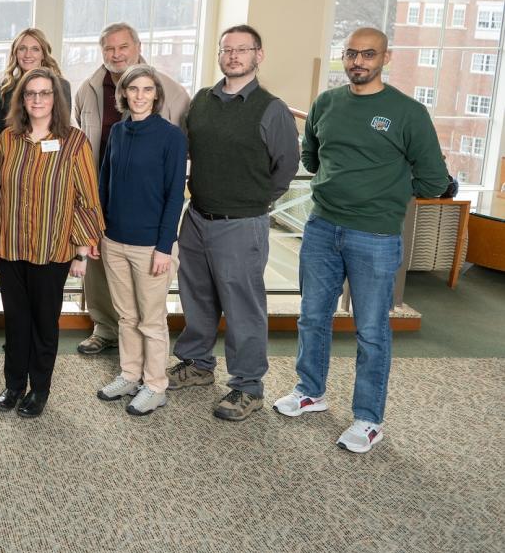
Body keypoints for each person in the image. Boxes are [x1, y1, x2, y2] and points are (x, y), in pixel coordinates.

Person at [274, 27, 453, 453]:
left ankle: (369, 419)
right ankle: (310, 392)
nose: (358, 62)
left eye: (368, 54)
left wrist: (383, 191)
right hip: (321, 227)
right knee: (312, 317)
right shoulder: (327, 103)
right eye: (352, 54)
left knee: (371, 330)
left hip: (375, 235)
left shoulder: (408, 112)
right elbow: (311, 155)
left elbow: (432, 179)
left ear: (385, 58)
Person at [166, 25, 299, 421]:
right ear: (219, 55)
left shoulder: (271, 108)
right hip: (197, 217)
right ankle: (197, 365)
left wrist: (253, 200)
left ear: (259, 55)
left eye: (243, 49)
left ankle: (247, 386)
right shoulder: (202, 101)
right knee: (196, 297)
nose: (234, 56)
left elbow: (286, 167)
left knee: (243, 308)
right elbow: (188, 149)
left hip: (242, 224)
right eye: (227, 49)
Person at [0, 68, 103, 418]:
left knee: (44, 323)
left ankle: (40, 389)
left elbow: (86, 198)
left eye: (44, 93)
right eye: (30, 93)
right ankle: (14, 384)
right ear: (21, 99)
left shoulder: (74, 142)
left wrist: (82, 251)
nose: (37, 99)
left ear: (55, 99)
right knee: (15, 321)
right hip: (10, 246)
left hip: (54, 248)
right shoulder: (7, 140)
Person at [73, 22, 190, 357]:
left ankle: (150, 370)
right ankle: (104, 329)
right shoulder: (89, 89)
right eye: (109, 49)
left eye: (123, 47)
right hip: (103, 195)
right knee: (100, 272)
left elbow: (182, 149)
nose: (116, 54)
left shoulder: (172, 90)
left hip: (150, 206)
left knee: (148, 291)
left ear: (138, 46)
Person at [94, 65, 187, 417]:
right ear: (124, 94)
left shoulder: (171, 137)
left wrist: (165, 246)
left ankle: (155, 385)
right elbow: (105, 185)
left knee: (151, 319)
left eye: (147, 90)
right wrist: (98, 232)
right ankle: (130, 375)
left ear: (156, 95)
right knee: (126, 316)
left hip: (151, 246)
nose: (139, 95)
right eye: (133, 89)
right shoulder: (117, 132)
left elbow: (174, 195)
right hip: (114, 240)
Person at [0, 29, 71, 141]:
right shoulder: (7, 87)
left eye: (35, 49)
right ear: (15, 53)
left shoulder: (61, 86)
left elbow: (63, 128)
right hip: (14, 153)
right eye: (22, 48)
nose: (28, 55)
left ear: (43, 54)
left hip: (49, 153)